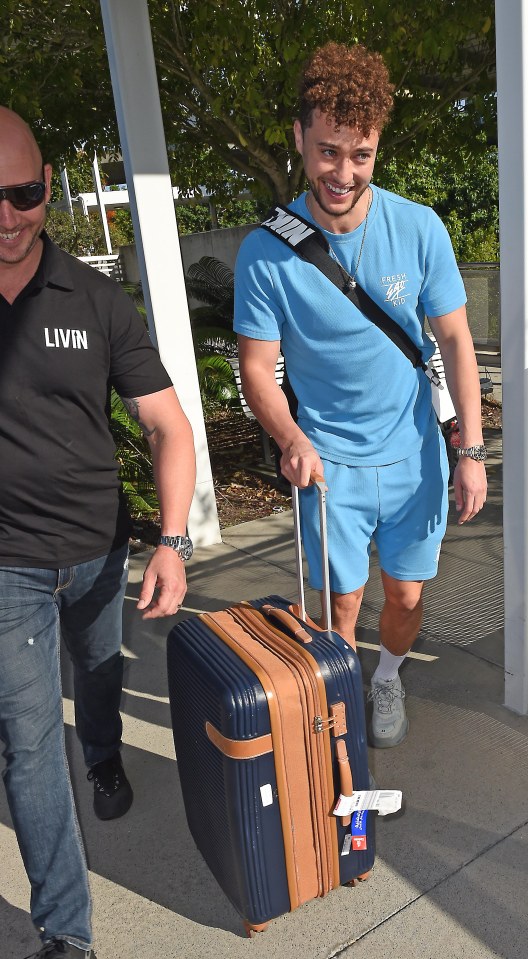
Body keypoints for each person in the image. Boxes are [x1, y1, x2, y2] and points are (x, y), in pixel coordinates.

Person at [234, 43, 487, 751]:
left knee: (405, 596)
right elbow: (258, 367)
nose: (343, 173)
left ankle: (388, 675)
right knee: (339, 605)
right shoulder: (266, 250)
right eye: (327, 152)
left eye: (361, 155)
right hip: (328, 465)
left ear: (377, 147)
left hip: (412, 456)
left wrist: (468, 451)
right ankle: (341, 706)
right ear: (299, 139)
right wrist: (290, 436)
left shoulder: (419, 228)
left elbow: (458, 342)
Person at [0, 107, 196, 959]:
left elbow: (169, 428)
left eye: (25, 193)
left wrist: (174, 542)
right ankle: (67, 933)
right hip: (6, 566)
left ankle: (108, 752)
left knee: (99, 671)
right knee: (32, 743)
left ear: (48, 186)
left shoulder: (95, 297)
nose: (8, 216)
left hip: (96, 551)